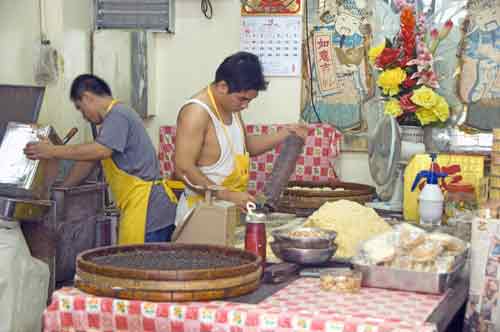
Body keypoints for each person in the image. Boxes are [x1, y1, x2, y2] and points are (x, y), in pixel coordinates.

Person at [24, 74, 178, 244]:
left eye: (81, 109)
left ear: (87, 97)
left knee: (145, 267)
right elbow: (89, 160)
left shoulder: (118, 114)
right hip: (142, 207)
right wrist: (61, 189)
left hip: (149, 210)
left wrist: (52, 151)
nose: (84, 116)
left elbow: (99, 151)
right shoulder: (112, 121)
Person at [174, 51, 307, 225]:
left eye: (249, 101)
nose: (245, 106)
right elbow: (183, 169)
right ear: (222, 86)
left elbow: (245, 146)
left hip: (229, 213)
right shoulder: (196, 113)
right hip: (200, 217)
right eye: (242, 99)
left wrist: (284, 134)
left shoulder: (232, 108)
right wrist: (226, 194)